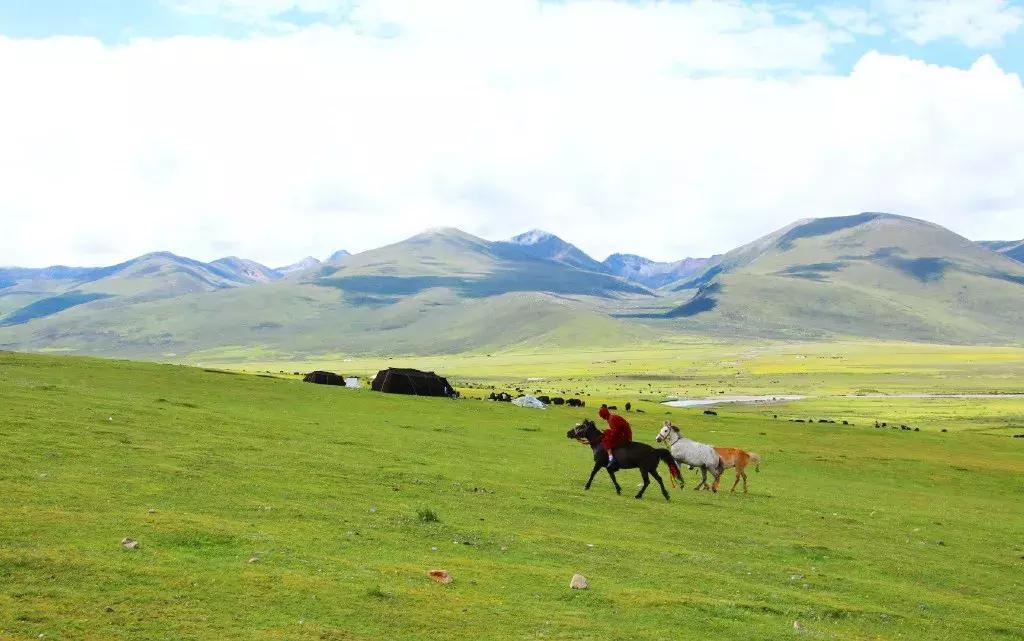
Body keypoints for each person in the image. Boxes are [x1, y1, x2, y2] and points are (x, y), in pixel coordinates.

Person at [598, 404, 632, 472]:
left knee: (606, 440)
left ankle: (611, 458)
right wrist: (608, 431)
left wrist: (608, 432)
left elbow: (616, 431)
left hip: (625, 436)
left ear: (603, 415)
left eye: (601, 416)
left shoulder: (612, 419)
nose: (602, 418)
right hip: (624, 434)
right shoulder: (611, 417)